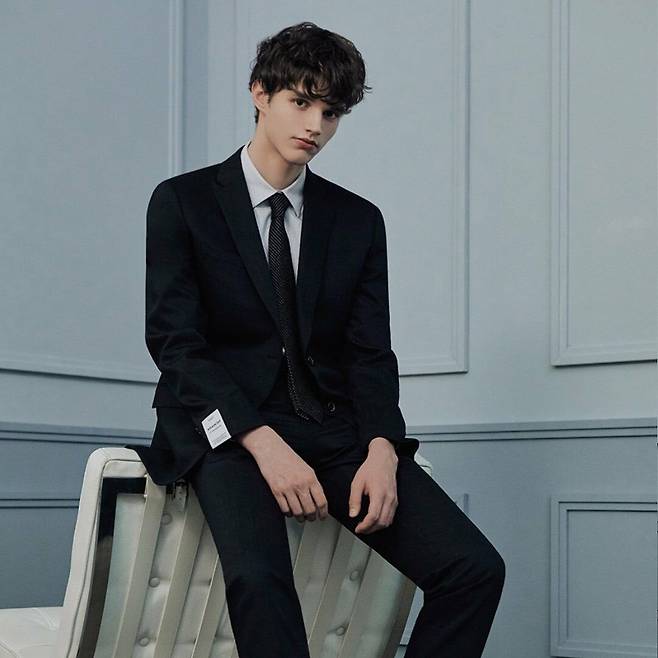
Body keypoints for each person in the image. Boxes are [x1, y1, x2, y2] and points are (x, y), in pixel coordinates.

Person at [126, 21, 505, 658]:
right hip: (226, 428)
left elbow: (369, 352)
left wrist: (383, 448)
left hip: (332, 427)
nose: (315, 126)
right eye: (301, 102)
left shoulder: (357, 220)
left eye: (331, 112)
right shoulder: (183, 202)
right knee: (261, 581)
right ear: (259, 92)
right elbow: (175, 343)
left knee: (474, 570)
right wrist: (260, 441)